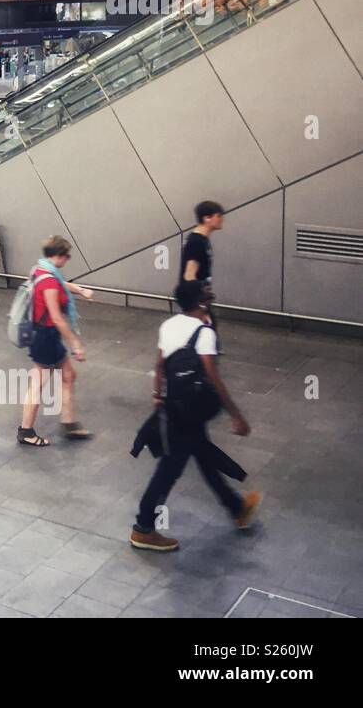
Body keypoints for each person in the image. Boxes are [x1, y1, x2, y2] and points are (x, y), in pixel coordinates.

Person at [129, 280, 260, 551]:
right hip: (191, 411)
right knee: (168, 471)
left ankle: (236, 508)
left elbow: (160, 364)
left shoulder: (169, 326)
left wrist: (157, 396)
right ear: (202, 303)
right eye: (208, 295)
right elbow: (212, 376)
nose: (211, 297)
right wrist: (236, 415)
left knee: (202, 455)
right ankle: (143, 528)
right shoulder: (205, 333)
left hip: (175, 406)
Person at [17, 236, 95, 446]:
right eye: (67, 256)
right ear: (58, 256)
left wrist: (80, 290)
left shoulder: (40, 270)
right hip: (47, 337)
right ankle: (26, 431)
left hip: (43, 335)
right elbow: (57, 317)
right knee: (39, 383)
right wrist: (75, 344)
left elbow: (61, 284)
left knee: (68, 375)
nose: (68, 260)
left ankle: (68, 423)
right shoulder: (50, 279)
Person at [181, 200, 224, 325]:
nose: (222, 219)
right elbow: (189, 275)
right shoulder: (196, 242)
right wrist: (198, 308)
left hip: (200, 302)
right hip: (196, 305)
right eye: (219, 216)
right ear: (207, 218)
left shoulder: (202, 240)